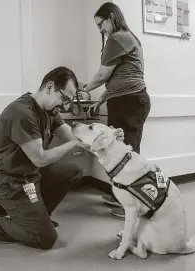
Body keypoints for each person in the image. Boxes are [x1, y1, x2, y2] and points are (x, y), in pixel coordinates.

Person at [0, 66, 124, 250]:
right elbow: (40, 158)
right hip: (9, 181)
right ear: (49, 87)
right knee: (46, 239)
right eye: (64, 98)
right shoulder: (22, 113)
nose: (65, 106)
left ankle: (37, 220)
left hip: (31, 175)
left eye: (68, 102)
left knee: (74, 170)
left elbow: (75, 137)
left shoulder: (49, 111)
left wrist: (109, 138)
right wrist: (75, 144)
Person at [79, 2, 151, 218]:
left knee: (127, 154)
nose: (100, 30)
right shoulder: (127, 38)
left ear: (111, 17)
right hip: (126, 100)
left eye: (101, 24)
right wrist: (100, 101)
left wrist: (83, 89)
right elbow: (117, 80)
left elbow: (102, 76)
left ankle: (131, 204)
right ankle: (120, 194)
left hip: (130, 102)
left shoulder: (118, 38)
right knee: (117, 152)